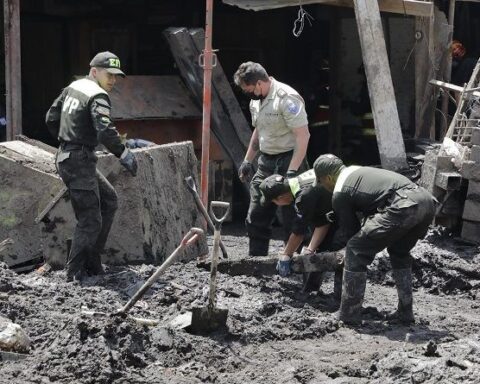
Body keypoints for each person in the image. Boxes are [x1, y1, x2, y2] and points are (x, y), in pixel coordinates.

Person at [45, 51, 137, 282]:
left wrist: (67, 139)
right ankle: (74, 274)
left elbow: (51, 118)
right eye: (109, 75)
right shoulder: (97, 95)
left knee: (109, 200)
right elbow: (105, 130)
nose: (113, 81)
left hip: (70, 157)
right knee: (90, 219)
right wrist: (123, 153)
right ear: (94, 71)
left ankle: (93, 262)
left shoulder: (73, 87)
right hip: (78, 160)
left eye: (116, 77)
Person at [313, 154, 436, 325]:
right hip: (426, 201)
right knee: (399, 252)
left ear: (328, 177)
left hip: (403, 205)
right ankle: (405, 312)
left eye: (320, 181)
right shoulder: (357, 171)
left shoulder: (340, 191)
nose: (321, 186)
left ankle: (349, 313)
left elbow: (351, 232)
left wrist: (340, 255)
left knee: (355, 249)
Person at [233, 61, 310, 256]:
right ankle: (257, 261)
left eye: (248, 88)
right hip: (266, 162)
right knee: (256, 213)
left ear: (259, 83)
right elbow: (259, 131)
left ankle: (294, 262)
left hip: (290, 160)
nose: (247, 93)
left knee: (293, 214)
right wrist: (247, 160)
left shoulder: (287, 98)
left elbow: (303, 136)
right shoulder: (256, 102)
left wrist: (293, 171)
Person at [259, 169, 342, 295]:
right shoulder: (297, 182)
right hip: (338, 206)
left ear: (280, 197)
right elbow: (322, 222)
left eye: (274, 201)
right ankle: (311, 290)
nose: (276, 205)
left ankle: (341, 298)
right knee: (321, 248)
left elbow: (299, 232)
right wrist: (311, 249)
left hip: (351, 206)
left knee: (341, 248)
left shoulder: (304, 196)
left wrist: (286, 255)